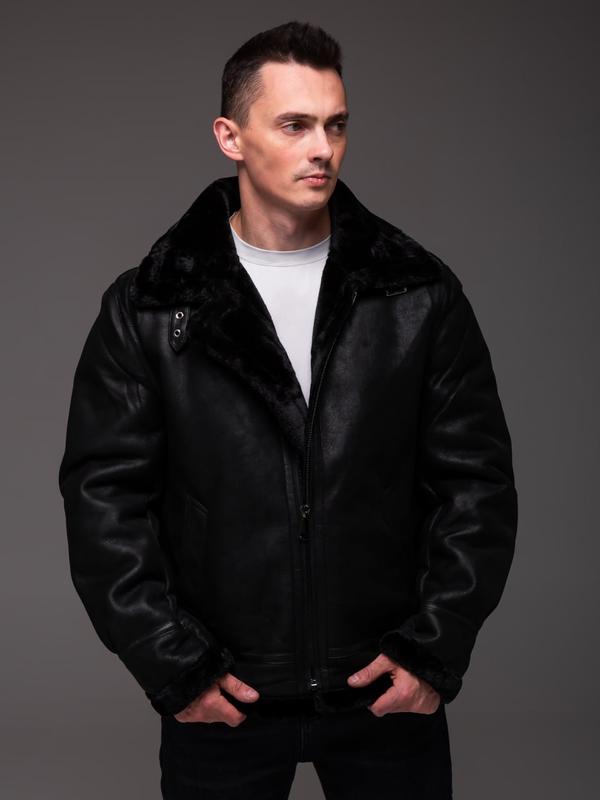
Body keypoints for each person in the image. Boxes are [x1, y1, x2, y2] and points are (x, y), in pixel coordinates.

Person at [58, 19, 518, 800]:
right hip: (226, 695)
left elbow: (476, 486)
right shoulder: (150, 306)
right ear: (230, 137)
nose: (322, 149)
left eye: (336, 125)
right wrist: (176, 666)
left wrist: (432, 651)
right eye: (295, 125)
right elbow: (104, 503)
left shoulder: (416, 293)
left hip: (383, 690)